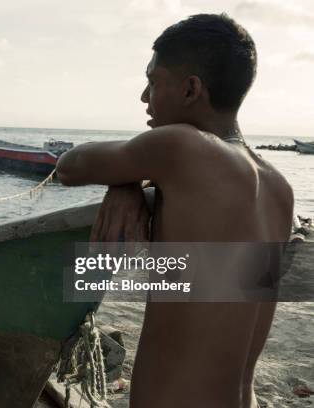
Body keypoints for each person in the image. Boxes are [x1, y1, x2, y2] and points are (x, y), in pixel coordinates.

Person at [56, 13, 293, 408]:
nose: (144, 97)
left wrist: (129, 177)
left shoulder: (181, 146)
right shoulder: (277, 187)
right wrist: (133, 179)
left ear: (191, 89)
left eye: (153, 82)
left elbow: (69, 165)